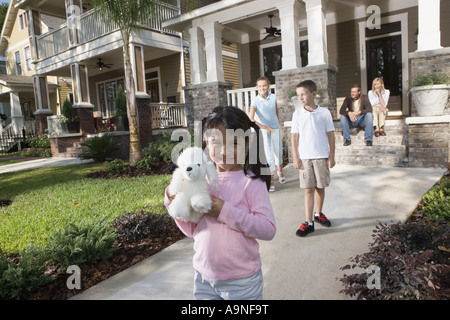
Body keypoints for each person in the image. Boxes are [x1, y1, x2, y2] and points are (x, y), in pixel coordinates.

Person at [165, 106, 276, 300]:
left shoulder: (251, 183)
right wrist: (173, 203)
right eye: (216, 142)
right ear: (206, 143)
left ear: (247, 143)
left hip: (242, 281)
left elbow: (267, 229)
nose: (224, 151)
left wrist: (224, 211)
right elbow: (192, 230)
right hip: (204, 277)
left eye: (234, 143)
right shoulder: (201, 182)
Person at [291, 80, 335, 237]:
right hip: (305, 158)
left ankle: (318, 214)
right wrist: (296, 157)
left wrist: (331, 155)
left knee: (320, 187)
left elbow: (330, 134)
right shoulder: (297, 114)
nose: (300, 98)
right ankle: (308, 222)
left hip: (321, 157)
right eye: (298, 95)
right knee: (308, 189)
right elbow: (294, 138)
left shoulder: (324, 113)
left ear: (314, 94)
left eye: (303, 94)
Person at [249, 76, 286, 192]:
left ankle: (280, 171)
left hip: (275, 129)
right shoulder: (255, 101)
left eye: (264, 85)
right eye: (260, 86)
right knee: (269, 155)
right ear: (257, 87)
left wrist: (277, 126)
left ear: (268, 86)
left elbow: (276, 113)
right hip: (265, 131)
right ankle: (271, 180)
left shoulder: (273, 97)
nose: (262, 88)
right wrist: (265, 127)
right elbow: (251, 119)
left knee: (278, 152)